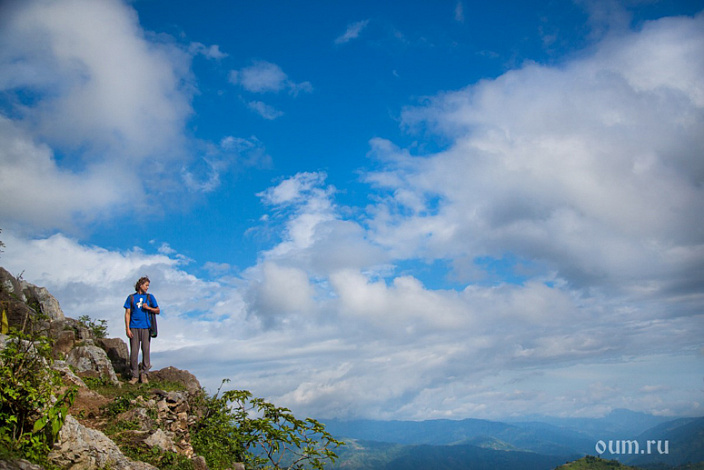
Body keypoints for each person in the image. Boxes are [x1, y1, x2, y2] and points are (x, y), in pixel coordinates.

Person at [124, 276, 160, 384]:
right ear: (140, 285)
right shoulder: (131, 298)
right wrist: (127, 329)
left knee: (146, 351)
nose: (147, 287)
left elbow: (158, 310)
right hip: (134, 327)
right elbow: (127, 313)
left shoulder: (150, 297)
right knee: (134, 352)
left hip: (146, 328)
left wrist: (148, 308)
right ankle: (134, 375)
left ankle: (144, 374)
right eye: (146, 285)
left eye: (148, 285)